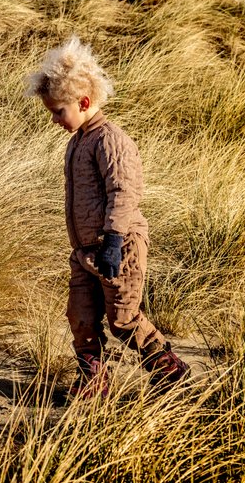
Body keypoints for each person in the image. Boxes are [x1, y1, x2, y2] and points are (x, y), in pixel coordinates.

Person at [25, 37, 187, 396]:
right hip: (84, 251)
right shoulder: (77, 141)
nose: (54, 119)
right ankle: (93, 380)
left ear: (83, 102)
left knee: (123, 319)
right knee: (80, 317)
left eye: (58, 111)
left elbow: (124, 192)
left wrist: (113, 240)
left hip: (120, 246)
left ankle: (168, 369)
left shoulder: (110, 140)